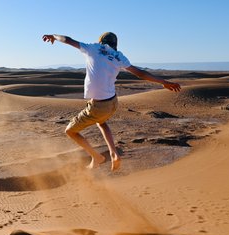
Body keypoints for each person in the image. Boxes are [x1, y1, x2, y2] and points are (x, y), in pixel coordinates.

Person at [42, 32, 181, 171]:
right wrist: (164, 82)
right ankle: (113, 153)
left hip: (98, 106)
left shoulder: (92, 48)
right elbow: (140, 73)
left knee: (70, 131)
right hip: (113, 103)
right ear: (115, 44)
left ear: (101, 41)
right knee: (101, 122)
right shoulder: (119, 56)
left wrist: (54, 36)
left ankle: (97, 157)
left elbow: (68, 40)